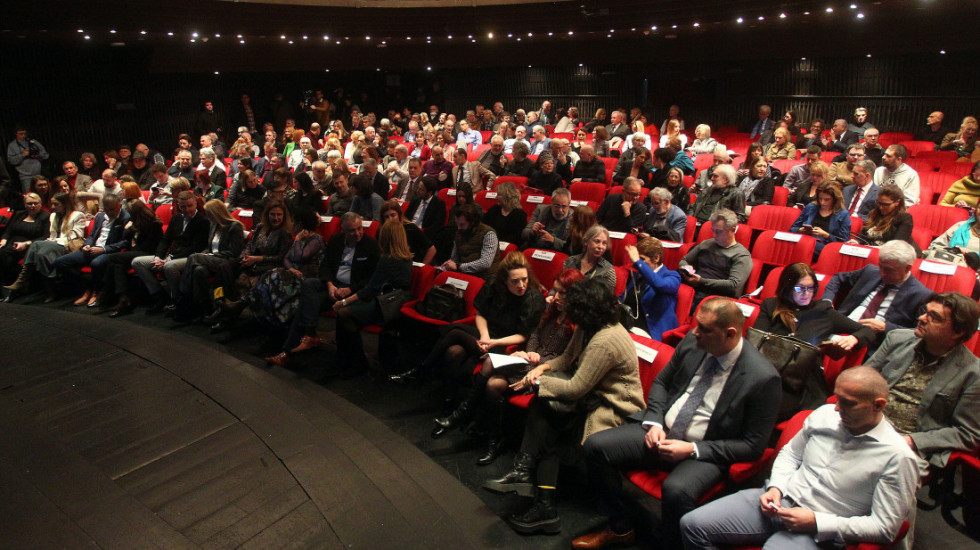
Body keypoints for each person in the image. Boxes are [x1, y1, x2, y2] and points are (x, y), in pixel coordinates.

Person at [575, 297, 781, 549]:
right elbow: (662, 383)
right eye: (696, 325)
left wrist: (693, 450)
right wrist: (654, 422)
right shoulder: (694, 344)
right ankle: (620, 527)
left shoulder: (763, 378)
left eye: (704, 329)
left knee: (676, 490)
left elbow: (753, 445)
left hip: (706, 450)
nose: (695, 332)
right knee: (596, 446)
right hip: (663, 431)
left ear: (730, 334)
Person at [679, 367, 918, 550]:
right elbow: (791, 454)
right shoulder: (825, 414)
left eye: (848, 403)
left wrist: (817, 522)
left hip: (819, 531)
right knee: (692, 525)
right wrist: (776, 487)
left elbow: (885, 528)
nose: (837, 409)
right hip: (777, 502)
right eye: (837, 399)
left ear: (878, 405)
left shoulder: (897, 456)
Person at [484, 279, 644, 536]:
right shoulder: (589, 326)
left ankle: (530, 483)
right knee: (549, 413)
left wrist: (538, 382)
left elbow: (576, 387)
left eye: (571, 304)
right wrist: (543, 368)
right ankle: (537, 493)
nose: (564, 307)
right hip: (590, 395)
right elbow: (567, 359)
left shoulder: (607, 338)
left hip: (612, 406)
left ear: (586, 308)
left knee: (549, 413)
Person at [865, 292, 980, 470]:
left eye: (934, 317)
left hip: (907, 443)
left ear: (958, 332)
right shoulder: (897, 338)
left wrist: (911, 441)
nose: (922, 318)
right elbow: (863, 376)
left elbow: (967, 433)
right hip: (865, 421)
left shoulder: (973, 373)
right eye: (925, 311)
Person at [422, 250, 547, 415]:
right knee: (454, 351)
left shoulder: (532, 298)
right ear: (504, 280)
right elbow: (480, 314)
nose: (521, 285)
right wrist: (485, 336)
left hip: (506, 345)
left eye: (524, 279)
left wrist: (493, 342)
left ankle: (422, 371)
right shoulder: (494, 285)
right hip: (487, 335)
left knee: (455, 333)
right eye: (515, 281)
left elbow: (523, 335)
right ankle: (449, 399)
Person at [268, 212, 380, 368]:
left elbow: (370, 278)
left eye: (359, 228)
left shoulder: (371, 245)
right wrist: (329, 284)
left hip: (352, 291)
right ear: (343, 231)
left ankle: (294, 347)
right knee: (309, 285)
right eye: (352, 230)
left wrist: (349, 289)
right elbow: (325, 266)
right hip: (333, 286)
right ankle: (308, 336)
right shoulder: (336, 241)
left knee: (305, 306)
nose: (357, 233)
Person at [332, 219, 415, 373]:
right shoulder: (406, 257)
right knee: (347, 312)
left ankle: (357, 361)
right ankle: (348, 359)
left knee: (344, 312)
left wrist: (343, 301)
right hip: (398, 302)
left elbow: (369, 290)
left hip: (388, 307)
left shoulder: (388, 259)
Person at [823, 240, 933, 353]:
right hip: (838, 327)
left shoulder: (922, 295)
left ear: (907, 268)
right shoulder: (870, 271)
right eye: (881, 266)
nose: (882, 273)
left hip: (873, 346)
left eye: (889, 270)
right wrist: (827, 301)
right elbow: (838, 278)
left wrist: (886, 327)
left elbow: (918, 332)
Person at [131, 191, 210, 313]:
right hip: (171, 255)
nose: (187, 209)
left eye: (190, 205)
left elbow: (196, 247)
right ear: (178, 205)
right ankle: (159, 295)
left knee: (169, 266)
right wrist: (158, 257)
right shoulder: (176, 218)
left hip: (190, 256)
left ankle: (179, 300)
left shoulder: (203, 221)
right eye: (183, 206)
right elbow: (165, 240)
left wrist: (168, 260)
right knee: (137, 262)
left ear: (195, 204)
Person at [3, 193, 87, 302]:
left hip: (67, 245)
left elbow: (76, 235)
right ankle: (50, 290)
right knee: (40, 254)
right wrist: (51, 241)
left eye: (56, 204)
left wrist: (53, 241)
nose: (52, 207)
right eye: (52, 204)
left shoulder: (77, 215)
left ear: (64, 204)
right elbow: (52, 234)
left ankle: (23, 280)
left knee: (37, 245)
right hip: (52, 244)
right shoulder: (53, 216)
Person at [175, 200, 246, 322]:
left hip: (226, 261)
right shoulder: (213, 225)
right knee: (198, 270)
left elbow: (234, 252)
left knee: (193, 257)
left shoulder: (235, 226)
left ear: (216, 212)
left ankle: (183, 297)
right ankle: (205, 309)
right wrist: (206, 253)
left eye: (209, 213)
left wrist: (210, 255)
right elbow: (209, 246)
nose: (207, 216)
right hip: (212, 259)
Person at [55, 194, 130, 308]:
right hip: (91, 249)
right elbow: (91, 236)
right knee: (60, 262)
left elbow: (125, 242)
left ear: (120, 206)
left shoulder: (126, 218)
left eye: (113, 210)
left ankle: (95, 291)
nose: (110, 213)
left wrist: (103, 249)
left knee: (96, 264)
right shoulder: (100, 216)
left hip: (109, 251)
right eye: (107, 210)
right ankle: (86, 286)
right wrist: (87, 245)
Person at [679, 209, 752, 310]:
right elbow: (684, 260)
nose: (714, 235)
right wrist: (686, 268)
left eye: (719, 232)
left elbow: (734, 285)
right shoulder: (706, 244)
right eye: (713, 230)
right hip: (693, 290)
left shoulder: (741, 255)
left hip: (717, 299)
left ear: (732, 230)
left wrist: (701, 281)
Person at [621, 238, 680, 340]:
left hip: (650, 330)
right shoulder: (639, 274)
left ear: (656, 258)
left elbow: (659, 285)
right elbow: (624, 296)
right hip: (628, 324)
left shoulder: (673, 276)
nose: (638, 264)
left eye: (642, 259)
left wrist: (638, 262)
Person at [789, 182, 852, 258]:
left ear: (834, 199)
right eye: (820, 198)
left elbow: (844, 241)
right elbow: (792, 229)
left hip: (825, 248)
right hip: (805, 241)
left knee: (809, 245)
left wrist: (826, 235)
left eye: (827, 200)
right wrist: (800, 230)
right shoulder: (810, 207)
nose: (822, 202)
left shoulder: (843, 214)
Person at [0, 193, 49, 285]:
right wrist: (4, 240)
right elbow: (8, 230)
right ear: (25, 205)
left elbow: (46, 236)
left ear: (40, 204)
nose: (33, 206)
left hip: (30, 246)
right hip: (11, 244)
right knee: (3, 254)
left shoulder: (46, 216)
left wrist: (26, 244)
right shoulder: (19, 214)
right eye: (30, 204)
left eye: (35, 203)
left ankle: (12, 286)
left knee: (8, 259)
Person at [440, 203, 499, 278]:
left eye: (462, 224)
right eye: (457, 224)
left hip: (485, 277)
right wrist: (447, 265)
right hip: (465, 273)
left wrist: (459, 267)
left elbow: (485, 263)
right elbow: (454, 259)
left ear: (472, 222)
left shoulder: (488, 233)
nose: (459, 228)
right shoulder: (459, 233)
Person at [851, 184, 915, 248]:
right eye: (879, 203)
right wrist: (857, 242)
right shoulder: (874, 214)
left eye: (885, 204)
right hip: (872, 251)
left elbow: (896, 245)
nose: (881, 207)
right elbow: (863, 237)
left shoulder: (904, 218)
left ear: (897, 202)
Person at [562, 225, 616, 295]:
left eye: (604, 243)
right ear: (586, 242)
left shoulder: (608, 271)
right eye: (597, 241)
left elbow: (607, 299)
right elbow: (561, 286)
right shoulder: (570, 261)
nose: (600, 247)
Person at [482, 181, 527, 245]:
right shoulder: (494, 210)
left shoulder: (519, 214)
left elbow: (515, 237)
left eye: (499, 195)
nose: (496, 197)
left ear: (508, 196)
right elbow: (483, 226)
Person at [6, 127, 49, 193]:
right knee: (29, 195)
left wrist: (38, 155)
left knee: (42, 193)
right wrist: (22, 155)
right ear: (16, 134)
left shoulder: (33, 142)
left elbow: (46, 155)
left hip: (39, 174)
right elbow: (11, 161)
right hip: (26, 176)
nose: (23, 136)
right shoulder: (12, 146)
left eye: (24, 133)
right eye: (21, 134)